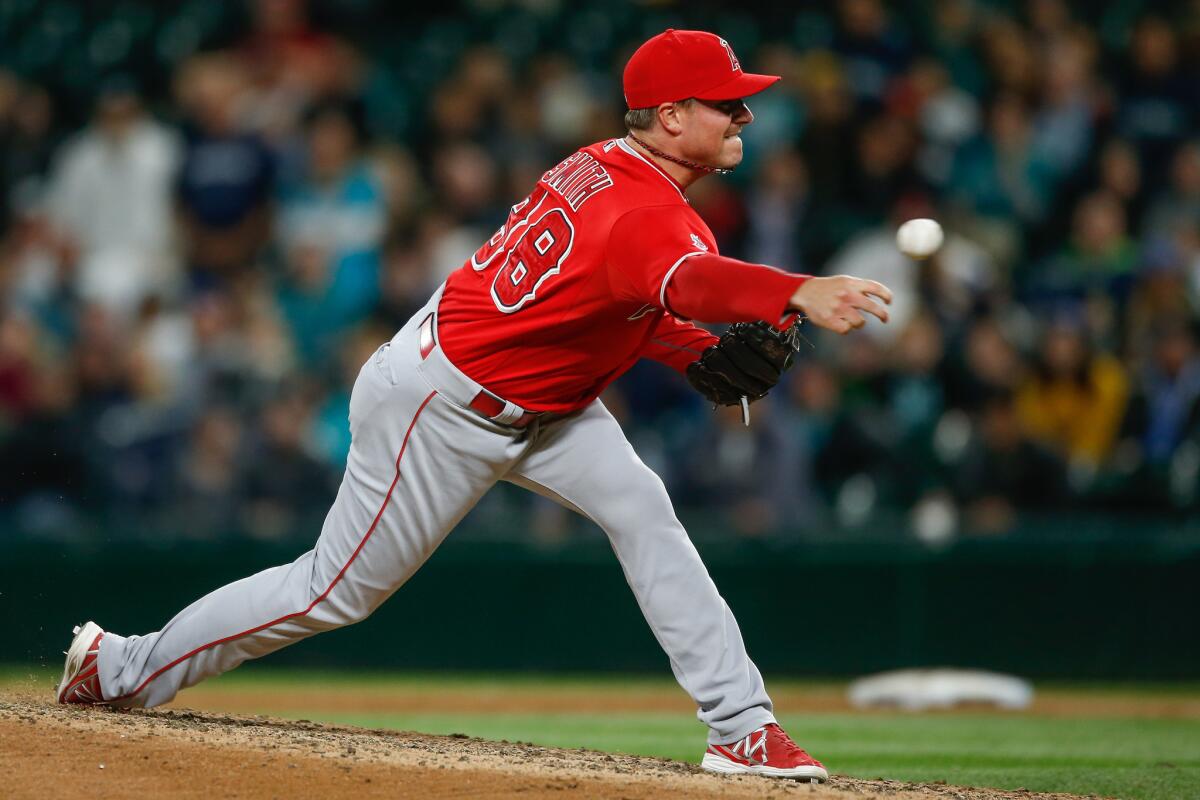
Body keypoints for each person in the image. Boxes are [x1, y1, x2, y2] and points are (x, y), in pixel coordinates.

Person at [56, 30, 891, 783]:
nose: (746, 113)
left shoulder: (605, 164)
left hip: (541, 397)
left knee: (644, 510)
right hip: (444, 404)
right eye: (727, 101)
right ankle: (118, 666)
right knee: (330, 593)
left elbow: (618, 306)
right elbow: (692, 283)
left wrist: (694, 351)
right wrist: (798, 290)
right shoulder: (645, 213)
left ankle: (741, 727)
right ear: (671, 117)